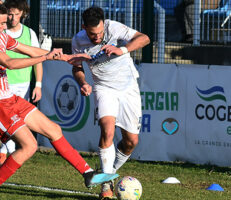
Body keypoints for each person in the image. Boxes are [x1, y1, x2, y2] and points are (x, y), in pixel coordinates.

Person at [0, 2, 117, 200]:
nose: (6, 26)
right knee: (29, 146)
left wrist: (65, 57)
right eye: (2, 23)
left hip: (10, 99)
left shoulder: (0, 36)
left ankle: (88, 174)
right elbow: (10, 63)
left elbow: (29, 51)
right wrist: (45, 57)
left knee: (54, 130)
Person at [71, 6, 150, 200]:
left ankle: (108, 172)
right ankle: (106, 186)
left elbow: (145, 38)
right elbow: (77, 68)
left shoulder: (113, 28)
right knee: (107, 130)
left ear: (103, 26)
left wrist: (121, 49)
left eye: (98, 34)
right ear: (84, 27)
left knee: (131, 141)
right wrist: (83, 83)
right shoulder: (77, 41)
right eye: (91, 34)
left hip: (128, 87)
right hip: (103, 87)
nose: (96, 38)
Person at [0, 0, 43, 167]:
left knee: (18, 122)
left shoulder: (30, 34)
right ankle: (10, 154)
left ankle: (5, 149)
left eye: (16, 14)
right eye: (10, 13)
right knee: (9, 121)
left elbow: (38, 60)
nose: (13, 17)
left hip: (24, 85)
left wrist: (38, 85)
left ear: (23, 13)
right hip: (3, 84)